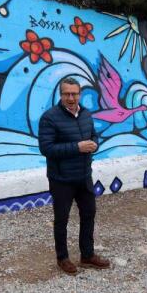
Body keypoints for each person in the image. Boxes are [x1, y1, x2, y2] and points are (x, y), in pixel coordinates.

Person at [38, 77, 110, 275]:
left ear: (80, 94)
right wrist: (77, 147)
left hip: (84, 176)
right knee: (61, 219)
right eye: (67, 94)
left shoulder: (86, 114)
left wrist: (95, 144)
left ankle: (87, 255)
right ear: (60, 95)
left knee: (89, 214)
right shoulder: (49, 118)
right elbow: (46, 148)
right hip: (61, 179)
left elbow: (94, 135)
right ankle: (62, 258)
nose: (71, 98)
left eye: (74, 93)